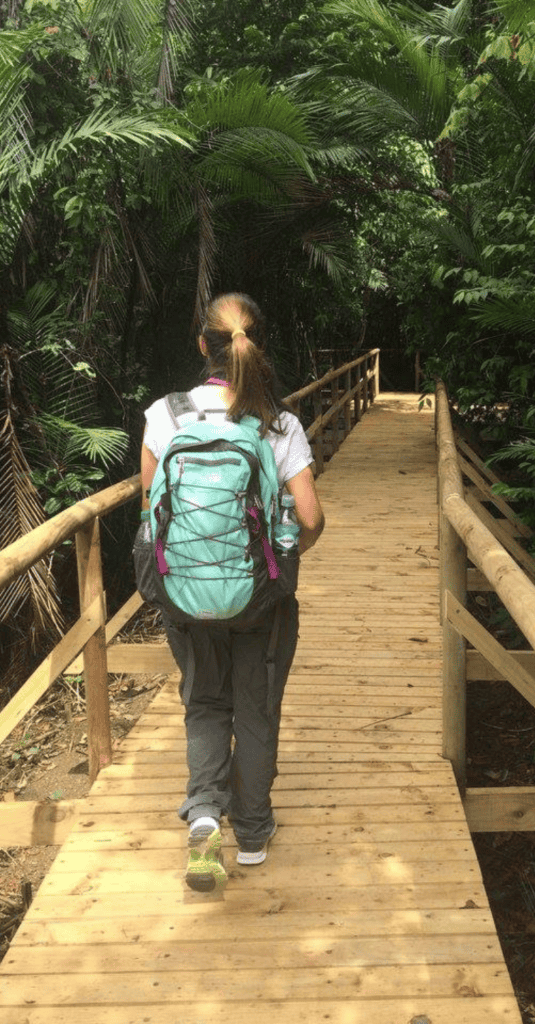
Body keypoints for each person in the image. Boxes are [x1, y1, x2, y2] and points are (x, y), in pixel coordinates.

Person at [138, 293, 325, 891]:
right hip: (258, 597)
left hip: (185, 597)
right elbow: (312, 517)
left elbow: (151, 510)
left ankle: (202, 816)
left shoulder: (164, 415)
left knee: (204, 702)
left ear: (203, 346)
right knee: (256, 705)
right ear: (258, 345)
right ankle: (252, 830)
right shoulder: (278, 423)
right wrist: (277, 551)